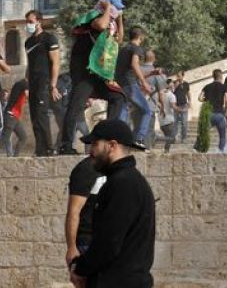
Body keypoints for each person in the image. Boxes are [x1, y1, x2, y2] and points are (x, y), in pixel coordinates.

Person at [69, 120, 154, 288]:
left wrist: (80, 269)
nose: (91, 151)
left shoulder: (123, 184)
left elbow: (109, 243)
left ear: (112, 145)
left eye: (95, 144)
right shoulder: (124, 180)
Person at [59, 0, 127, 155]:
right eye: (115, 7)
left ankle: (107, 138)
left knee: (118, 97)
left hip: (100, 73)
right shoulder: (92, 17)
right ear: (106, 4)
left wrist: (119, 19)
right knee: (76, 105)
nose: (116, 11)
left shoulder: (111, 24)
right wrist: (107, 8)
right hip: (84, 71)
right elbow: (100, 25)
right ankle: (65, 145)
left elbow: (119, 39)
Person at [23, 9, 62, 157]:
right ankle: (39, 149)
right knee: (34, 116)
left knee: (41, 114)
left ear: (39, 21)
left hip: (44, 81)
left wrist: (53, 85)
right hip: (33, 83)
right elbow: (29, 64)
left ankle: (49, 147)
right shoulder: (28, 42)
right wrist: (26, 84)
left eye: (31, 21)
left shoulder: (49, 39)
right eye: (27, 22)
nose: (28, 24)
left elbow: (56, 63)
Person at [115, 27, 152, 150]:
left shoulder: (123, 49)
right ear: (140, 37)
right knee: (147, 111)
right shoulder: (137, 48)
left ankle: (121, 140)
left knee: (124, 111)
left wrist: (151, 73)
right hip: (130, 84)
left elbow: (128, 69)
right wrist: (144, 83)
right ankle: (139, 139)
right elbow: (134, 65)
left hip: (121, 84)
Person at [65, 156, 105, 266]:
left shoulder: (114, 168)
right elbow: (73, 211)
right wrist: (72, 247)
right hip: (87, 242)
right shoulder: (86, 169)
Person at [198, 69, 227, 152]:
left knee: (204, 133)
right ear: (221, 76)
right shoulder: (224, 87)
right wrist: (226, 110)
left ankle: (201, 149)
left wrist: (206, 100)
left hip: (208, 114)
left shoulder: (207, 86)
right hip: (219, 114)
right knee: (222, 136)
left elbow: (199, 98)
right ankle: (220, 152)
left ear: (213, 76)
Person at [0, 79, 29, 157]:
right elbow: (27, 92)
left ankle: (15, 157)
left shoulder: (22, 85)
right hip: (11, 115)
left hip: (15, 116)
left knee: (23, 137)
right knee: (5, 138)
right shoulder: (23, 84)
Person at [170, 71, 190, 144]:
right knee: (175, 122)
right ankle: (174, 138)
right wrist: (175, 86)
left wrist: (190, 101)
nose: (178, 77)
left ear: (183, 76)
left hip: (184, 105)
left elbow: (188, 93)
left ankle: (183, 138)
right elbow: (171, 92)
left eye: (179, 75)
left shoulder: (186, 84)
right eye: (177, 75)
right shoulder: (174, 83)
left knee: (184, 123)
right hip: (175, 105)